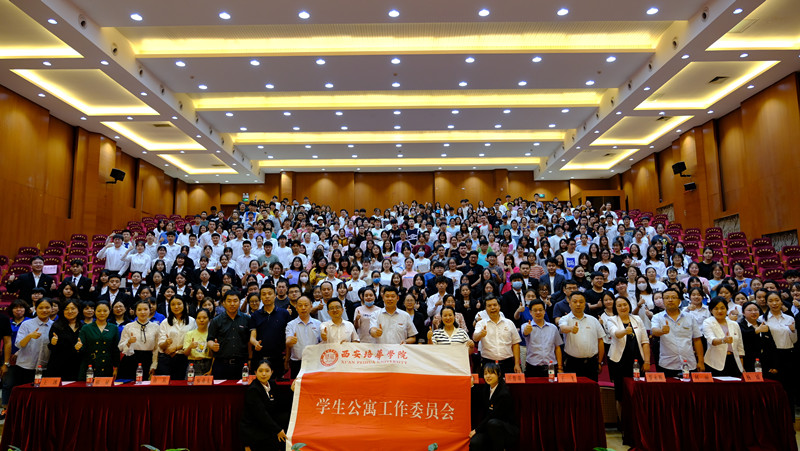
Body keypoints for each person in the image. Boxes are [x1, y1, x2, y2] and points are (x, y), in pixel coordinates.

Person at [606, 296, 649, 414]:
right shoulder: (612, 320)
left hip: (637, 361)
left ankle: (637, 418)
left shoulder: (637, 319)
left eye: (625, 304)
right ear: (615, 308)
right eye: (619, 305)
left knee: (638, 392)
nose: (623, 307)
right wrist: (625, 331)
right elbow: (615, 334)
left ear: (629, 305)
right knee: (620, 394)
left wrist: (647, 361)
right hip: (618, 362)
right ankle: (622, 422)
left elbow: (645, 341)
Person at [651, 288, 705, 377]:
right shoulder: (657, 317)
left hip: (689, 363)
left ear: (679, 301)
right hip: (667, 364)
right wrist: (662, 331)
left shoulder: (690, 317)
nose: (670, 300)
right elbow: (654, 331)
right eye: (667, 298)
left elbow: (697, 340)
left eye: (673, 297)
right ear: (663, 301)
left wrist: (701, 361)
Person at [238, 359, 290, 451]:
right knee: (277, 439)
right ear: (255, 372)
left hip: (266, 424)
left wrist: (292, 391)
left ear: (272, 372)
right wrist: (278, 430)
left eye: (267, 371)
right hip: (254, 428)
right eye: (260, 371)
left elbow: (281, 404)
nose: (264, 374)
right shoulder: (253, 390)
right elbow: (261, 415)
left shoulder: (272, 384)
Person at [761, 290, 797, 414]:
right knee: (772, 390)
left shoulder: (789, 318)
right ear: (766, 303)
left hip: (788, 356)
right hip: (771, 356)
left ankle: (789, 419)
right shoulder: (762, 319)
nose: (774, 303)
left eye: (777, 300)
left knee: (788, 389)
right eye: (770, 301)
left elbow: (794, 340)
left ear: (781, 301)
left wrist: (793, 331)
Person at [469, 362, 518, 451]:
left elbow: (493, 415)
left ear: (499, 374)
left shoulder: (504, 393)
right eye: (485, 373)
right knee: (475, 442)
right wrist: (472, 386)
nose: (488, 376)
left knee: (493, 423)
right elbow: (477, 402)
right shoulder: (487, 387)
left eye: (491, 373)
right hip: (488, 427)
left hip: (505, 429)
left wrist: (476, 430)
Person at [558, 292, 605, 381]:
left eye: (581, 302)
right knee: (572, 388)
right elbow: (563, 328)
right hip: (572, 363)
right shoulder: (565, 319)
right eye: (575, 301)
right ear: (570, 304)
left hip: (592, 363)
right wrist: (571, 328)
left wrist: (599, 362)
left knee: (591, 388)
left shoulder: (593, 320)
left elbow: (600, 340)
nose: (578, 304)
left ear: (585, 304)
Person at [207, 291, 251, 380]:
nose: (232, 304)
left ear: (239, 302)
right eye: (229, 301)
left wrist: (250, 359)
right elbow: (209, 340)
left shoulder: (247, 319)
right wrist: (212, 345)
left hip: (241, 364)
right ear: (224, 303)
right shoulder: (216, 320)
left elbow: (249, 341)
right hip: (221, 364)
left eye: (235, 301)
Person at [473, 297, 522, 375]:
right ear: (485, 309)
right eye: (489, 306)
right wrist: (480, 334)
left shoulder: (509, 323)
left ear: (499, 306)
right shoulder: (481, 324)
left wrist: (517, 364)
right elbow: (475, 338)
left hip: (507, 363)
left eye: (495, 305)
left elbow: (515, 343)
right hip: (488, 364)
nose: (492, 308)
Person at [12, 298, 54, 386]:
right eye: (41, 308)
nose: (44, 310)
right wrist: (29, 336)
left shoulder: (55, 325)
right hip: (25, 366)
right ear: (35, 309)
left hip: (45, 367)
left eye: (47, 307)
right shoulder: (26, 324)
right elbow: (19, 345)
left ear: (52, 309)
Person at [249, 285, 291, 373]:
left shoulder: (284, 313)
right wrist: (255, 343)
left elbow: (288, 337)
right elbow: (252, 336)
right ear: (261, 297)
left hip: (278, 358)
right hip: (260, 358)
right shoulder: (255, 315)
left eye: (269, 293)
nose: (267, 296)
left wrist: (287, 358)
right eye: (264, 294)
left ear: (275, 295)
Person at [155, 296, 196, 380]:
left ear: (184, 305)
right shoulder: (165, 322)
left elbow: (194, 341)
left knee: (181, 385)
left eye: (179, 304)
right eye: (173, 304)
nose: (176, 307)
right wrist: (166, 343)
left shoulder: (192, 321)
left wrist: (176, 348)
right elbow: (161, 345)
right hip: (166, 358)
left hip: (184, 357)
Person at [703, 297, 745, 377]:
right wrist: (723, 340)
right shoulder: (708, 322)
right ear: (711, 310)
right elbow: (711, 340)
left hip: (734, 361)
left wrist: (741, 366)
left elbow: (740, 347)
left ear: (727, 309)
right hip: (715, 362)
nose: (719, 311)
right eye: (716, 309)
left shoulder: (734, 324)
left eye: (722, 308)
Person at [118, 300, 159, 380]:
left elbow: (156, 348)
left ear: (150, 310)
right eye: (139, 310)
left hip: (148, 359)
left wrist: (154, 364)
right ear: (135, 311)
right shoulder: (128, 326)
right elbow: (120, 347)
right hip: (130, 359)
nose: (142, 312)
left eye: (145, 309)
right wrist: (129, 342)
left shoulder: (156, 327)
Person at [76, 301, 119, 379]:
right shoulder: (86, 328)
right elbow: (82, 348)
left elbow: (115, 350)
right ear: (94, 311)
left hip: (107, 364)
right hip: (90, 365)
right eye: (99, 311)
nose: (102, 313)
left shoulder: (114, 328)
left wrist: (116, 367)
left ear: (109, 311)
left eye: (105, 311)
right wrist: (78, 348)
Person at [521, 299, 563, 377]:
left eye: (540, 310)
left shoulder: (553, 328)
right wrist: (527, 330)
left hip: (550, 366)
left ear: (544, 311)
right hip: (532, 367)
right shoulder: (525, 326)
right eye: (535, 310)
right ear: (530, 312)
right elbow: (525, 333)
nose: (538, 312)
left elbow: (557, 347)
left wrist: (560, 367)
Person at [45, 300, 82, 381]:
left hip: (78, 365)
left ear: (78, 310)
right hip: (58, 365)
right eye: (66, 309)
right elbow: (52, 348)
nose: (70, 311)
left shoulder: (83, 326)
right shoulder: (56, 326)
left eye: (73, 308)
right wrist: (53, 343)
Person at [285, 296, 321, 378]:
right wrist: (290, 341)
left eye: (306, 305)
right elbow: (288, 341)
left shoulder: (318, 324)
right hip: (296, 362)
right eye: (300, 305)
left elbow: (322, 342)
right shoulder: (291, 324)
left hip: (314, 362)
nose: (303, 308)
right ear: (296, 307)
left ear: (311, 306)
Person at [739, 301, 768, 372]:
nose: (753, 312)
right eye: (749, 310)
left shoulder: (762, 325)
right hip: (747, 360)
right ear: (743, 313)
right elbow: (744, 336)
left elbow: (770, 344)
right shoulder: (739, 325)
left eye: (756, 310)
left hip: (764, 360)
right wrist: (756, 330)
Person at [183, 308, 213, 375]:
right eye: (199, 318)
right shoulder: (189, 334)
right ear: (195, 320)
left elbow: (214, 355)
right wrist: (190, 347)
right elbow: (185, 353)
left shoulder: (212, 334)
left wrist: (211, 347)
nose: (201, 320)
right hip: (193, 364)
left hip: (208, 364)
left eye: (204, 318)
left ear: (209, 319)